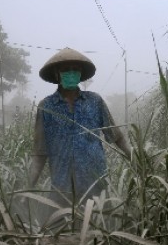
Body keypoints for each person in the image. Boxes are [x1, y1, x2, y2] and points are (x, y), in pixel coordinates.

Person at [28, 47, 131, 209]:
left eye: (75, 69)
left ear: (81, 73)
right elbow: (40, 153)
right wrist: (26, 188)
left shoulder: (94, 102)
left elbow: (116, 136)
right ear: (57, 73)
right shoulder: (46, 107)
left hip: (95, 184)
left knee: (101, 228)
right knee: (61, 229)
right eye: (65, 69)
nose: (71, 73)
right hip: (62, 188)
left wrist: (136, 159)